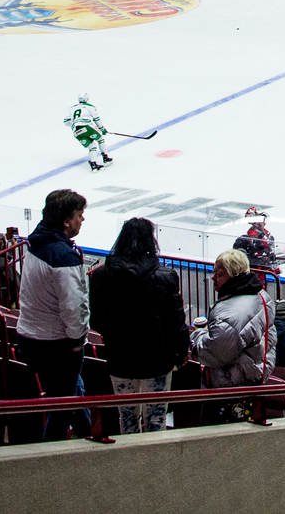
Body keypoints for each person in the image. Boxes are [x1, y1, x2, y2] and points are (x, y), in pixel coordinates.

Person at [88, 218, 189, 434]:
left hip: (120, 358)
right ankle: (153, 464)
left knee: (127, 418)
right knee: (156, 419)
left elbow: (96, 320)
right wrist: (181, 352)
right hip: (158, 360)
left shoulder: (101, 276)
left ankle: (131, 462)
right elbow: (176, 322)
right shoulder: (166, 277)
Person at [17, 188, 92, 441]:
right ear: (66, 221)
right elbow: (74, 306)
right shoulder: (62, 257)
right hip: (56, 345)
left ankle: (88, 433)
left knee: (72, 391)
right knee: (63, 405)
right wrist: (77, 339)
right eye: (80, 215)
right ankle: (49, 453)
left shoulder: (37, 242)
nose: (82, 220)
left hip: (29, 335)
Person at [190, 248, 275, 400]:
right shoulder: (260, 295)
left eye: (220, 274)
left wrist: (198, 335)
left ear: (234, 274)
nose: (213, 277)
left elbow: (215, 352)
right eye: (214, 272)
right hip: (252, 374)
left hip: (231, 382)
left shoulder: (232, 312)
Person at [65, 96, 114, 171]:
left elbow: (66, 122)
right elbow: (96, 119)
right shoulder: (90, 107)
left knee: (92, 147)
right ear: (87, 99)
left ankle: (93, 164)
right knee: (100, 139)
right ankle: (106, 158)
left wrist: (75, 123)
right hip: (87, 126)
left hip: (76, 131)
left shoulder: (72, 108)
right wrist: (102, 129)